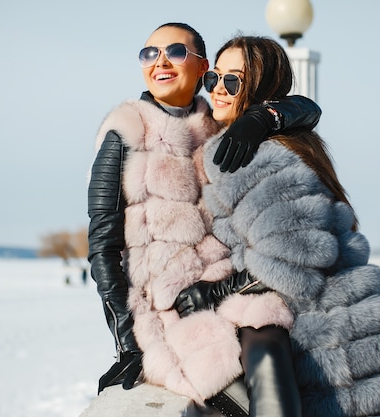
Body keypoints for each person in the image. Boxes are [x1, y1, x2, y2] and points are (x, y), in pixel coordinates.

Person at [174, 36, 380, 416]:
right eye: (214, 79)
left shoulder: (253, 155)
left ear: (262, 89)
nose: (219, 91)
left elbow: (294, 258)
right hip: (348, 339)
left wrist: (212, 294)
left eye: (234, 81)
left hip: (328, 347)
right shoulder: (288, 140)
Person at [87, 22, 321, 407]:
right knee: (240, 398)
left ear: (202, 67)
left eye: (175, 52)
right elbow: (102, 246)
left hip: (227, 290)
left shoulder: (219, 123)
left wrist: (262, 118)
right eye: (149, 54)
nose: (160, 62)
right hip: (169, 309)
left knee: (275, 350)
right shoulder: (126, 131)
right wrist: (128, 344)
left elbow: (308, 109)